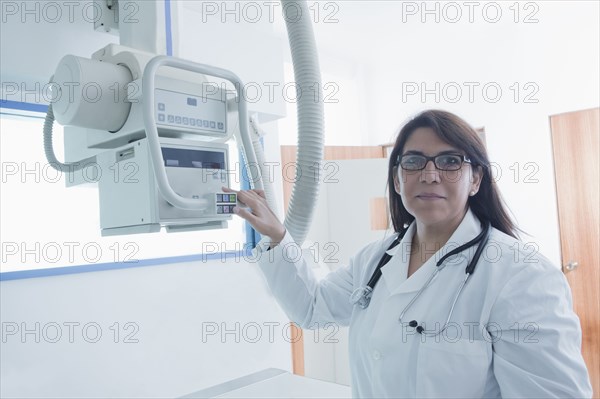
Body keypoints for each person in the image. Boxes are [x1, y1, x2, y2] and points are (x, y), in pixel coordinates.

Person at [223, 110, 593, 398]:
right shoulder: (375, 259)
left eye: (450, 161)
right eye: (414, 161)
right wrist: (277, 237)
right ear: (398, 179)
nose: (430, 174)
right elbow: (312, 309)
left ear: (476, 179)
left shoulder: (521, 276)